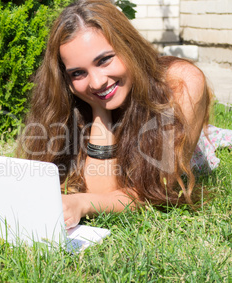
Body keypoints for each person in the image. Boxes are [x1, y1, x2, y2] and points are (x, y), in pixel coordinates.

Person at [16, 0, 212, 229]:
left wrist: (82, 203)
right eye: (78, 73)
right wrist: (99, 110)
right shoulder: (78, 103)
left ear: (128, 45)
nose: (97, 82)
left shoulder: (181, 83)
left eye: (104, 60)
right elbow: (103, 192)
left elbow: (155, 190)